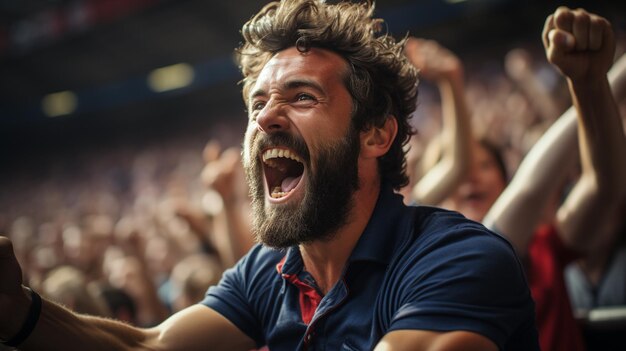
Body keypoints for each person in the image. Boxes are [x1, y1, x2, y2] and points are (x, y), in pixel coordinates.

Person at [0, 1, 538, 350]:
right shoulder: (271, 270)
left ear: (376, 135)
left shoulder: (460, 259)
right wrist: (19, 310)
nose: (264, 117)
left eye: (302, 96)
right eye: (257, 103)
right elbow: (149, 348)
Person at [483, 7, 626, 351]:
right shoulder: (427, 274)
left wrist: (589, 83)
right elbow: (527, 193)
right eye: (455, 176)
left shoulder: (542, 254)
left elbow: (603, 187)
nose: (468, 180)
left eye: (484, 167)